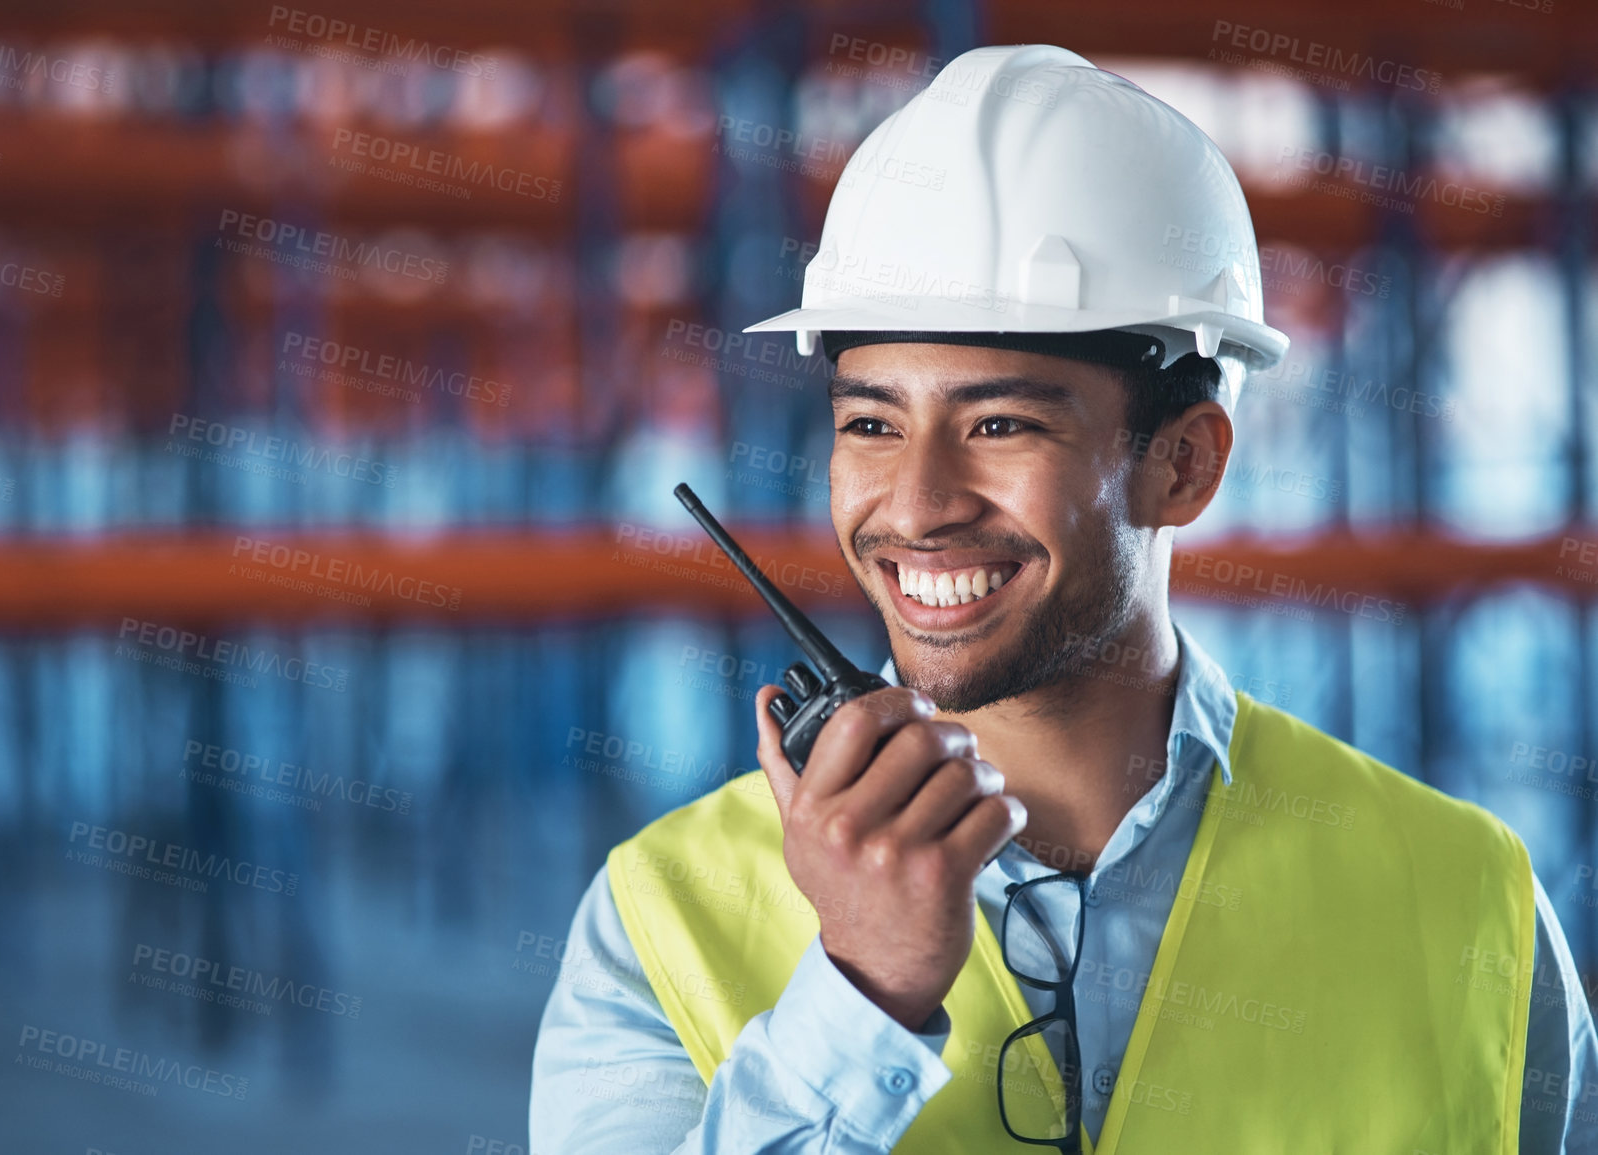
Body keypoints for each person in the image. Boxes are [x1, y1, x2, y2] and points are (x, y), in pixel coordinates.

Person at [531, 44, 1598, 1152]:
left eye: (1002, 425)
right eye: (870, 424)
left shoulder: (1469, 903)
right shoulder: (660, 920)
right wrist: (858, 999)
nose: (918, 503)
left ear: (1183, 464)